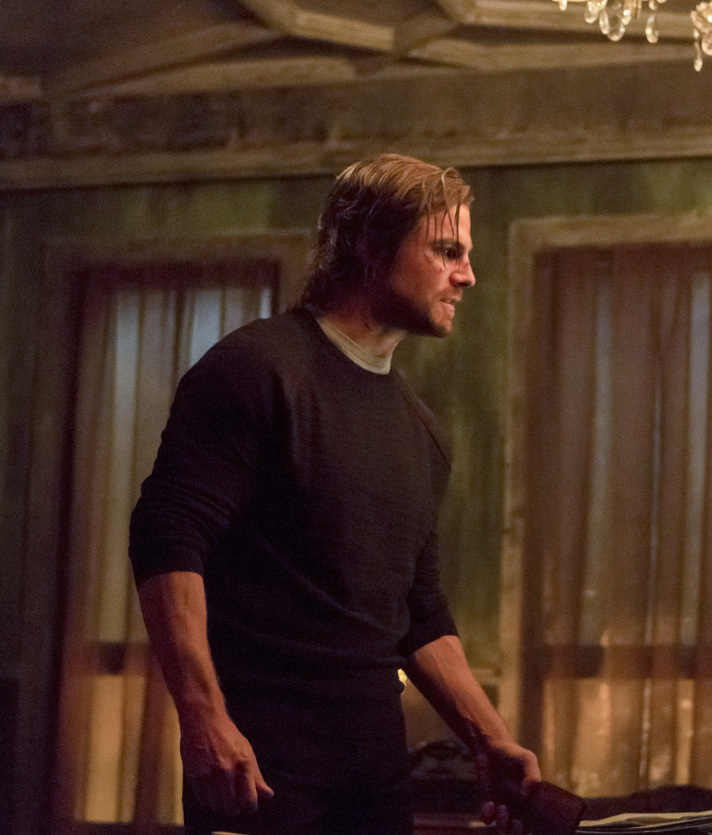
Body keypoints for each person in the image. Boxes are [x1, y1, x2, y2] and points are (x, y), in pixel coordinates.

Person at [129, 154, 540, 835]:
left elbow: (420, 611)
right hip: (259, 768)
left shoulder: (423, 431)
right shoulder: (255, 369)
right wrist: (202, 718)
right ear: (372, 245)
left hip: (377, 775)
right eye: (448, 251)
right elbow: (166, 535)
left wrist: (488, 737)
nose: (468, 274)